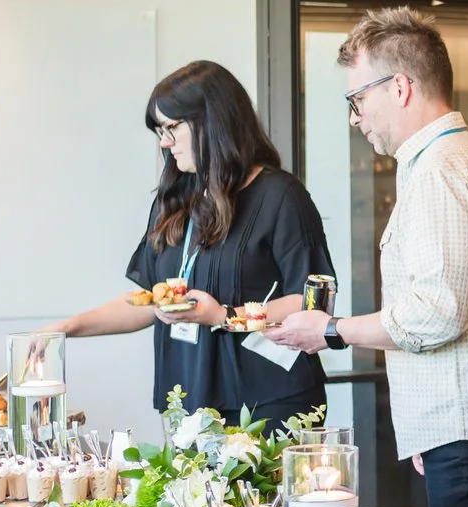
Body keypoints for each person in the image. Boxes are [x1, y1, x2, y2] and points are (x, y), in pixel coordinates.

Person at [264, 7, 468, 507]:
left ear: (399, 87)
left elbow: (434, 313)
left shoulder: (442, 170)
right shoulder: (449, 161)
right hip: (467, 425)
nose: (355, 118)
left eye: (357, 100)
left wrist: (330, 332)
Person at [48, 60, 335, 429]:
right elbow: (149, 301)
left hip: (270, 400)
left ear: (213, 121)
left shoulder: (281, 196)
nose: (164, 142)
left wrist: (223, 317)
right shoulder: (176, 198)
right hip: (189, 402)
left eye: (171, 127)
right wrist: (64, 329)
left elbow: (311, 303)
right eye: (159, 131)